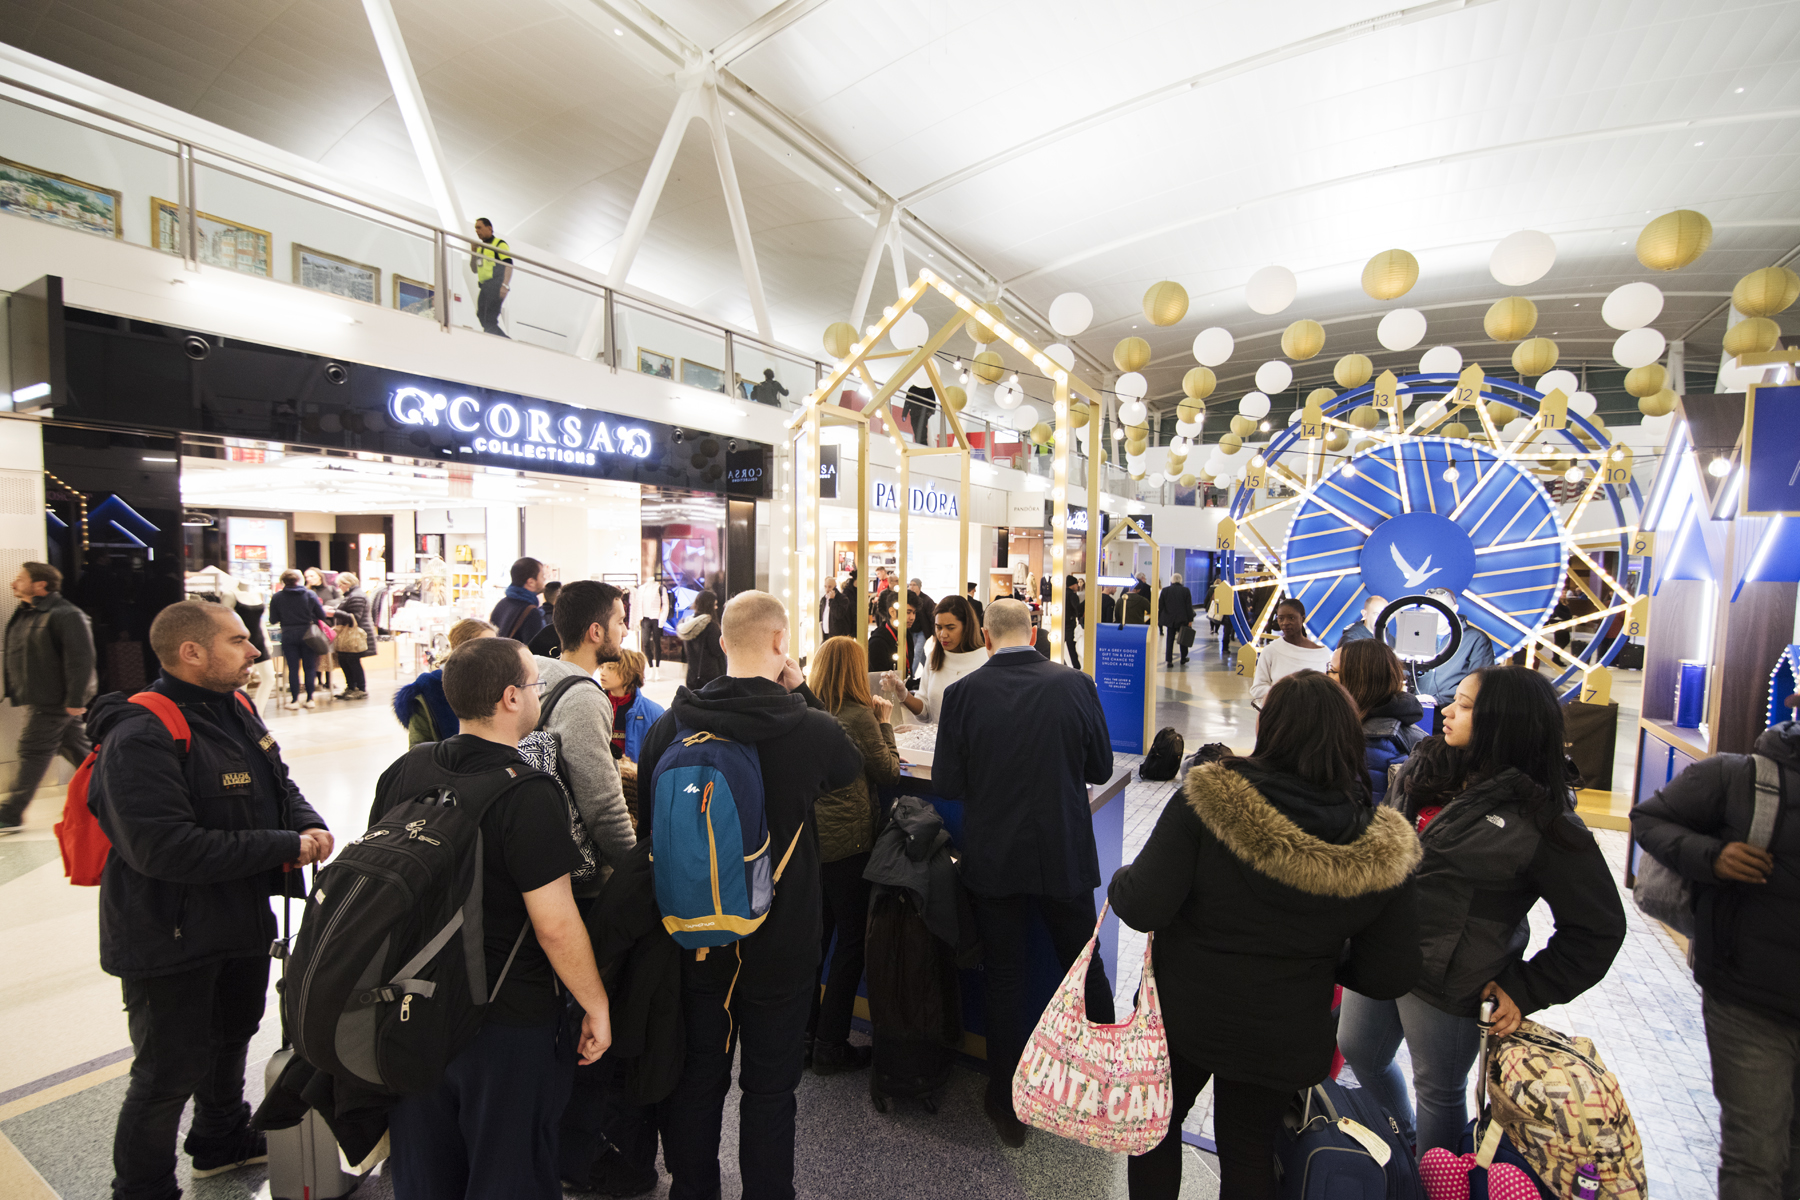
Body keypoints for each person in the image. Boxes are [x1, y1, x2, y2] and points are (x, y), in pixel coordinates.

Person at [1109, 670, 1422, 1199]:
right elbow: (1390, 972)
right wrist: (1320, 958)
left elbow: (1142, 905)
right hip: (1285, 1030)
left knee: (1156, 1127)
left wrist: (1121, 879)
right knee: (1250, 1150)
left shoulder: (1208, 801)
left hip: (1184, 1014)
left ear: (1269, 729)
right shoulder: (1378, 842)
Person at [90, 599, 331, 1198]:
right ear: (191, 652)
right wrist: (285, 845)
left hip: (237, 917)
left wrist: (307, 822)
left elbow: (279, 784)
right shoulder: (140, 734)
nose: (254, 650)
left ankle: (219, 1140)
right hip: (167, 933)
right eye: (237, 641)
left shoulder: (236, 708)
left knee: (232, 1036)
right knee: (166, 1073)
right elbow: (163, 848)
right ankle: (141, 1188)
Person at [1337, 666, 1628, 1156]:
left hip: (1451, 977)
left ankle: (1436, 1181)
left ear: (1504, 721)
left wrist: (1528, 988)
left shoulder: (1542, 815)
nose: (1447, 710)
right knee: (1359, 1050)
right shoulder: (1425, 767)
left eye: (1467, 706)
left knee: (1438, 1089)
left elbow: (1599, 925)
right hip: (1381, 950)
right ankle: (1405, 1144)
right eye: (1455, 699)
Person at [637, 592, 862, 1200]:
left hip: (697, 933)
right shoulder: (809, 727)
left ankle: (693, 1190)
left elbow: (651, 824)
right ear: (781, 642)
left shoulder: (672, 723)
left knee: (698, 1078)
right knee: (769, 1088)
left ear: (720, 643)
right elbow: (850, 768)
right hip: (782, 938)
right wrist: (802, 688)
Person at [379, 638, 611, 1199]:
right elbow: (555, 925)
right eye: (535, 684)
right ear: (510, 697)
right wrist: (596, 1004)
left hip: (412, 1007)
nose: (538, 693)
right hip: (505, 1019)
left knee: (427, 1172)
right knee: (509, 1171)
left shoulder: (405, 769)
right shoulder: (528, 791)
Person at [932, 598, 1116, 1146]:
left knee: (1005, 978)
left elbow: (946, 783)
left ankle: (1007, 1103)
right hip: (1063, 851)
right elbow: (1101, 767)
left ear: (986, 638)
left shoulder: (963, 694)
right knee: (1083, 967)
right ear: (1033, 634)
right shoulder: (1075, 685)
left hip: (994, 857)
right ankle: (1104, 1085)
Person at [1632, 721, 1800, 1200]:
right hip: (1748, 1000)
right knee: (1755, 1157)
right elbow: (1649, 819)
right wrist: (1711, 856)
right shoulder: (1738, 776)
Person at [806, 636, 900, 1073]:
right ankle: (830, 1044)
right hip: (849, 845)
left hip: (812, 843)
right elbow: (888, 771)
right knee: (851, 943)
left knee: (816, 942)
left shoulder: (807, 711)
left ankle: (805, 1037)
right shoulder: (859, 715)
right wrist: (885, 723)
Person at [535, 580, 635, 887]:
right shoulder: (583, 699)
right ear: (596, 632)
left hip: (541, 860)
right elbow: (603, 809)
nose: (625, 631)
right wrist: (636, 874)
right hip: (577, 880)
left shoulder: (538, 675)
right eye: (620, 621)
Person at [0, 561, 96, 833]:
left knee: (32, 750)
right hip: (42, 696)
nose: (14, 583)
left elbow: (81, 660)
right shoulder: (28, 613)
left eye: (20, 579)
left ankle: (11, 812)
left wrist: (76, 699)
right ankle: (114, 790)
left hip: (53, 700)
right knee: (79, 751)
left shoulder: (67, 614)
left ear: (40, 584)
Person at [1332, 638, 1427, 803]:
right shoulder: (1389, 723)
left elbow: (1370, 810)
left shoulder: (1373, 742)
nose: (1325, 677)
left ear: (1356, 681)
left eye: (1332, 671)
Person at [887, 594, 986, 724]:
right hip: (938, 736)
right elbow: (925, 713)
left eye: (950, 628)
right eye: (938, 627)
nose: (943, 634)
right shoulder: (934, 658)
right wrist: (904, 695)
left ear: (967, 627)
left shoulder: (985, 659)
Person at [392, 618, 494, 744]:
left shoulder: (500, 685)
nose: (494, 653)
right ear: (462, 648)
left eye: (497, 646)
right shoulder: (429, 690)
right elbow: (419, 748)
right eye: (486, 647)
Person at [1413, 587, 1496, 709]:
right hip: (1416, 708)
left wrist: (1438, 699)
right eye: (1430, 609)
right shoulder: (1417, 635)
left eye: (1440, 609)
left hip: (1454, 709)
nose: (1435, 615)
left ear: (1454, 609)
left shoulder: (1475, 639)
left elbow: (1479, 682)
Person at [1250, 597, 1332, 708]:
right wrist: (1285, 695)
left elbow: (1328, 689)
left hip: (1313, 713)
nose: (1285, 623)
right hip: (1281, 713)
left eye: (1291, 618)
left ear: (1302, 618)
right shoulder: (1271, 650)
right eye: (1281, 618)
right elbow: (1257, 688)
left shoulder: (1322, 653)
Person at [269, 568, 327, 709]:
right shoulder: (310, 594)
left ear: (283, 581)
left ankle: (294, 700)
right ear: (298, 580)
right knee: (309, 667)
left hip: (288, 634)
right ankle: (310, 699)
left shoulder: (277, 597)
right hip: (308, 634)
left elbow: (273, 619)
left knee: (293, 668)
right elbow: (322, 615)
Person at [601, 648, 664, 763]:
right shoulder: (594, 707)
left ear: (628, 672)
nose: (602, 673)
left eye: (610, 668)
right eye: (602, 667)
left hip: (636, 773)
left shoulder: (654, 712)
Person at [330, 571, 375, 700]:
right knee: (345, 661)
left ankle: (360, 689)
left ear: (347, 583)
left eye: (340, 585)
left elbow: (355, 617)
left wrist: (334, 612)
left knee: (353, 661)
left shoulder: (357, 596)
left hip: (355, 635)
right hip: (350, 634)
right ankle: (351, 687)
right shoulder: (352, 595)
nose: (340, 588)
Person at [470, 217, 513, 337]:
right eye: (475, 228)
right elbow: (474, 269)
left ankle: (503, 342)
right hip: (484, 287)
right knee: (481, 315)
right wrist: (473, 252)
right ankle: (502, 340)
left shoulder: (499, 244)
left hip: (496, 284)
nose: (477, 231)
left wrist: (505, 285)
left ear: (489, 228)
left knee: (489, 318)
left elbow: (509, 265)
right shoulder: (480, 248)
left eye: (479, 228)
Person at [491, 557, 549, 644]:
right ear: (531, 582)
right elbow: (533, 650)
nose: (544, 579)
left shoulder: (502, 604)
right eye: (542, 576)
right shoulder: (531, 612)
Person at [677, 588, 727, 690]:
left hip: (692, 676)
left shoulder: (688, 624)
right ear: (709, 605)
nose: (716, 607)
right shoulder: (710, 626)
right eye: (715, 604)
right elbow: (717, 651)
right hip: (710, 677)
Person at [1158, 571, 1196, 668]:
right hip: (1182, 619)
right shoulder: (1185, 590)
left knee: (1169, 639)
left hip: (1170, 619)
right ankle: (1183, 658)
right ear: (1180, 580)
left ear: (1172, 580)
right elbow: (1188, 607)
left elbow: (1161, 605)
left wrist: (1162, 617)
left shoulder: (1165, 590)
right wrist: (1190, 620)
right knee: (1183, 638)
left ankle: (1169, 660)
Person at [867, 588, 903, 674]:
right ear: (892, 612)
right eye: (908, 612)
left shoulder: (906, 634)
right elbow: (878, 677)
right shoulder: (877, 642)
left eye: (914, 612)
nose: (912, 617)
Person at [635, 576, 668, 668]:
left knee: (657, 643)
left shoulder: (660, 588)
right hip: (645, 618)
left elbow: (665, 605)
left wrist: (662, 620)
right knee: (645, 643)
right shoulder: (641, 589)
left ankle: (657, 666)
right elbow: (638, 605)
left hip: (656, 618)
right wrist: (637, 620)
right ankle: (650, 665)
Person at [906, 578, 934, 671]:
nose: (912, 587)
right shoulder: (908, 599)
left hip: (922, 631)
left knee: (917, 653)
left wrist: (934, 633)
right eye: (910, 585)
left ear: (919, 586)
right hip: (911, 630)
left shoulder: (926, 600)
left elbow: (932, 617)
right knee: (920, 654)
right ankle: (929, 669)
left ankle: (911, 673)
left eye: (914, 585)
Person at [827, 570, 859, 638]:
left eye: (829, 587)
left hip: (855, 622)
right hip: (848, 625)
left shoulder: (859, 591)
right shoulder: (847, 593)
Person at [1064, 574, 1085, 671]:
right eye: (1076, 584)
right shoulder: (1072, 595)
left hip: (1062, 623)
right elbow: (1077, 609)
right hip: (1070, 623)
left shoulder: (1062, 593)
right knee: (1071, 646)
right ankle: (1076, 666)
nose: (1078, 586)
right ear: (1072, 584)